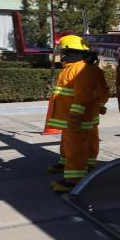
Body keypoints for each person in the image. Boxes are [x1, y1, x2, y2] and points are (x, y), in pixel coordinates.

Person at [47, 35, 106, 193]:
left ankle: (74, 180)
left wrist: (75, 115)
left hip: (76, 118)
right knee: (75, 141)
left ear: (70, 52)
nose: (61, 55)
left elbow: (84, 94)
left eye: (63, 51)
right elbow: (101, 91)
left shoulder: (81, 69)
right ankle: (76, 163)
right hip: (75, 116)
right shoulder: (78, 68)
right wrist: (100, 105)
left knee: (76, 146)